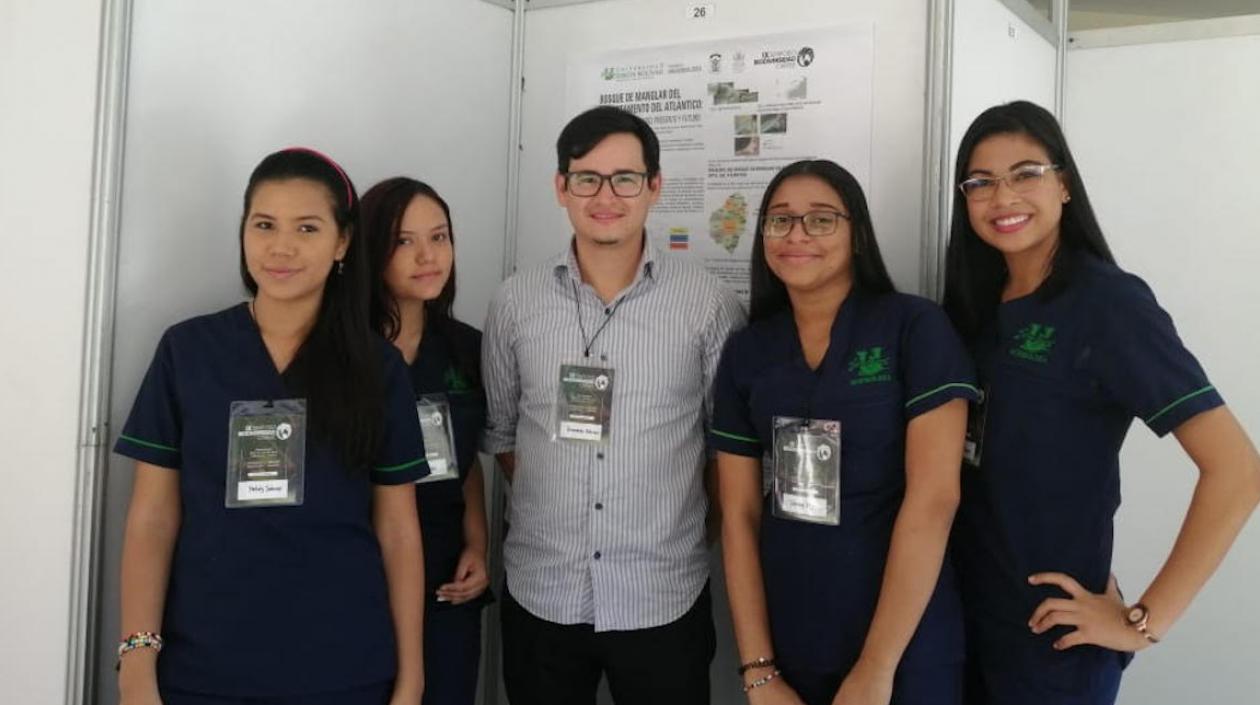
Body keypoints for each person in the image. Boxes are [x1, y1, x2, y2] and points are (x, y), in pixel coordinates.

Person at [943, 100, 1260, 705]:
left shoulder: (1107, 304)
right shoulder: (974, 306)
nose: (1002, 197)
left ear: (1063, 185)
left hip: (1052, 645)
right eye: (981, 182)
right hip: (964, 623)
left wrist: (1144, 621)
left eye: (1025, 174)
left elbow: (1238, 470)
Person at [115, 148, 428, 705]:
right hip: (203, 667)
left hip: (345, 666)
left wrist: (411, 677)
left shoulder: (376, 368)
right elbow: (152, 517)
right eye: (264, 225)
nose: (280, 247)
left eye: (306, 228)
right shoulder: (188, 352)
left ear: (341, 242)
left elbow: (399, 531)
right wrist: (138, 659)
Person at [481, 105, 745, 704]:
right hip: (542, 590)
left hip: (661, 595)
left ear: (655, 186)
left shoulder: (707, 304)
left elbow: (721, 443)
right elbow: (503, 436)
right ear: (560, 187)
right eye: (587, 178)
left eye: (625, 178)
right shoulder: (516, 302)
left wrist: (679, 525)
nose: (606, 196)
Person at [712, 159, 976, 705]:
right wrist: (759, 671)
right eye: (780, 220)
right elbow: (738, 515)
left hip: (906, 644)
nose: (797, 234)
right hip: (791, 636)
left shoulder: (913, 327)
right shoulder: (749, 351)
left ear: (857, 234)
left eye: (822, 219)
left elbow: (935, 499)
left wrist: (876, 668)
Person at [363, 177, 491, 705]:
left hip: (445, 577)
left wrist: (478, 546)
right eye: (404, 241)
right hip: (361, 568)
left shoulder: (464, 347)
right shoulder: (345, 350)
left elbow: (467, 461)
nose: (427, 256)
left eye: (438, 238)